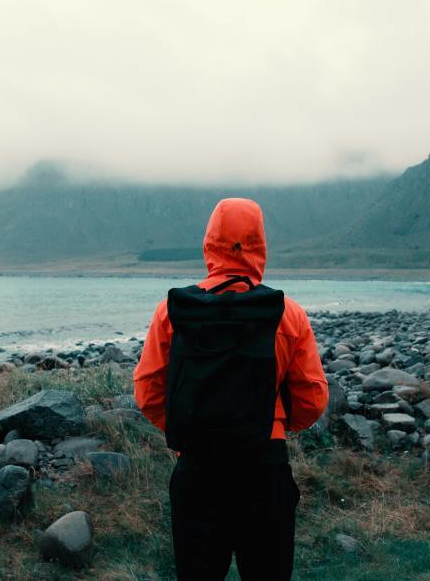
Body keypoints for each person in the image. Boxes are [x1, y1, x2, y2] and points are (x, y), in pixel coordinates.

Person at [134, 197, 329, 580]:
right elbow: (312, 399)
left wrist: (184, 429)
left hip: (198, 467)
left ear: (210, 242)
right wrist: (277, 425)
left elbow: (147, 392)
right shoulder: (288, 313)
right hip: (265, 467)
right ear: (260, 244)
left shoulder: (173, 310)